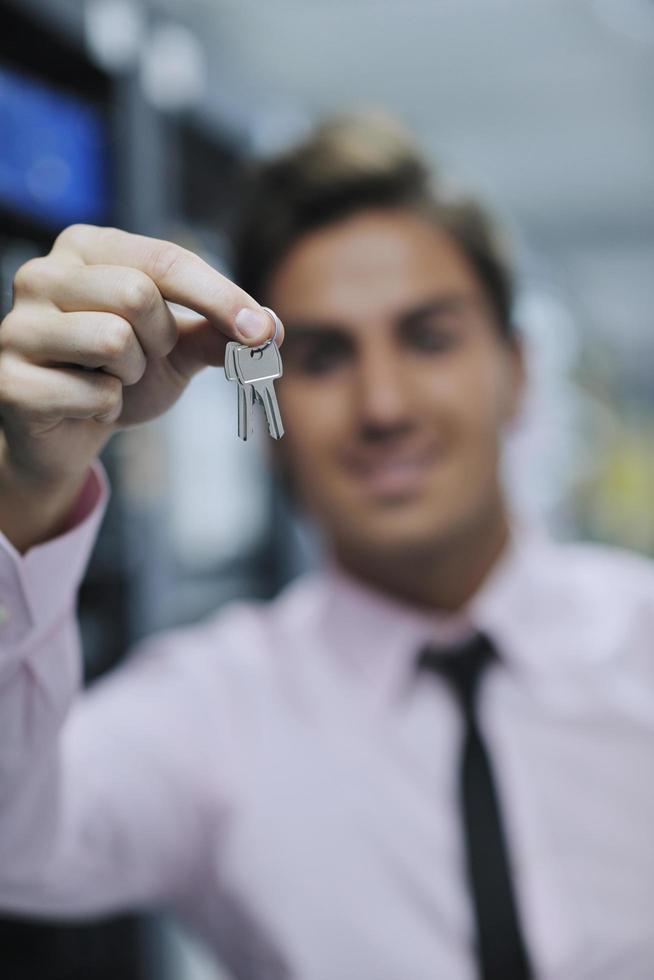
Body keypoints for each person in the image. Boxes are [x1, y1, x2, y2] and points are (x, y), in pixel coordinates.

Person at [0, 114, 652, 980]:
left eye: (429, 337)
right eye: (321, 357)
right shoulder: (209, 711)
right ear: (264, 409)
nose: (382, 404)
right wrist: (26, 495)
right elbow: (17, 843)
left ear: (518, 370)